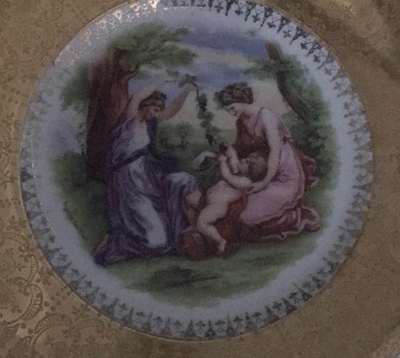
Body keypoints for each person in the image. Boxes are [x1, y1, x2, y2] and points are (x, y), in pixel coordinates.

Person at [93, 77, 200, 266]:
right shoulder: (132, 120)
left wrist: (185, 91)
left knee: (184, 179)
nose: (157, 114)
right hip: (129, 184)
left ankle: (192, 231)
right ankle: (114, 243)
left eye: (158, 110)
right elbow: (137, 98)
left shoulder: (149, 124)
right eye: (155, 109)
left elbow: (171, 111)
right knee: (158, 242)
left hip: (147, 179)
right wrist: (161, 80)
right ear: (145, 106)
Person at [214, 82, 319, 242]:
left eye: (232, 107)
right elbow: (241, 148)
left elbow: (275, 153)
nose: (231, 112)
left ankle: (296, 216)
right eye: (228, 110)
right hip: (260, 171)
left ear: (241, 100)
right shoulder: (241, 122)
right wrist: (228, 152)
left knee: (247, 215)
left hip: (283, 172)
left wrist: (263, 183)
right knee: (237, 207)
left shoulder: (265, 117)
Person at [191, 149, 268, 254]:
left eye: (247, 162)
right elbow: (232, 159)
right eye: (246, 158)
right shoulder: (240, 173)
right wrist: (221, 155)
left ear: (251, 171)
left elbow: (227, 176)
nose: (243, 160)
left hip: (217, 207)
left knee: (201, 223)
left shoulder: (246, 182)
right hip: (209, 202)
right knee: (195, 215)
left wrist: (222, 162)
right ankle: (197, 233)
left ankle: (220, 241)